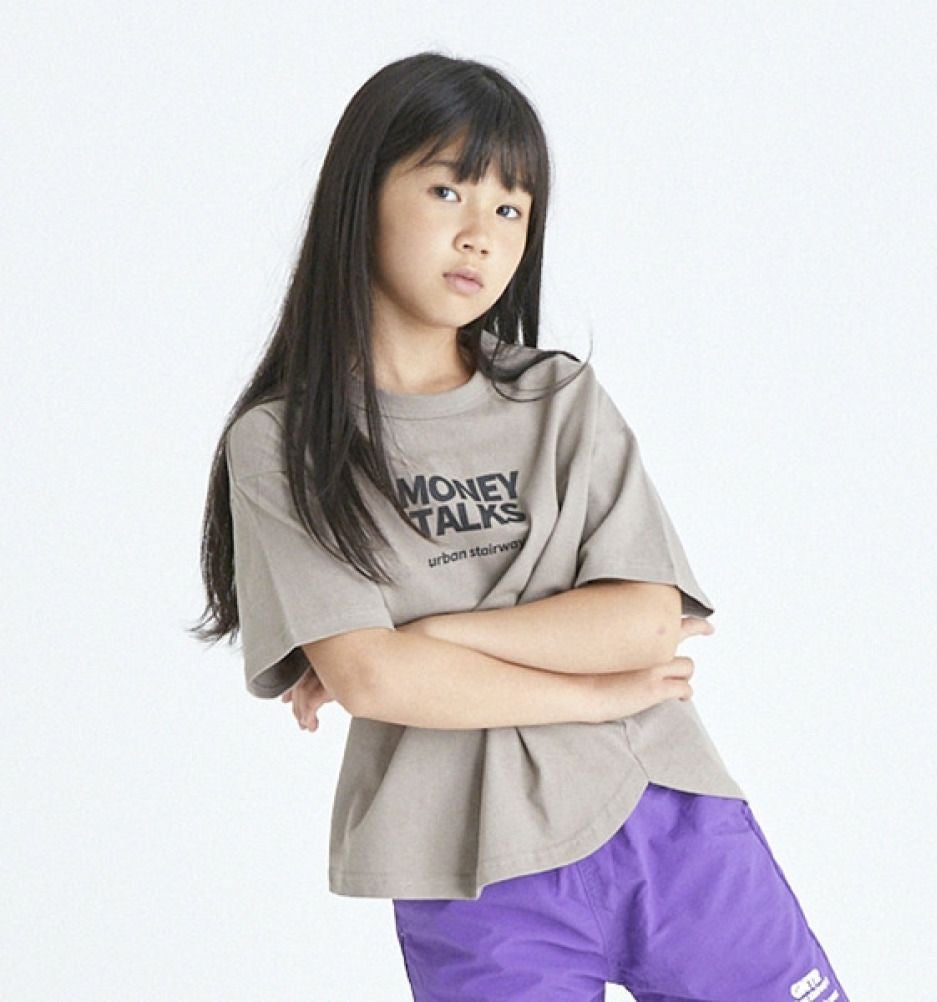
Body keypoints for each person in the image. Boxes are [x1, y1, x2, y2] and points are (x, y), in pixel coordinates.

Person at [191, 51, 849, 1002]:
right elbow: (373, 680)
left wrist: (426, 637)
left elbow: (644, 624)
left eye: (510, 209)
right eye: (447, 190)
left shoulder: (558, 398)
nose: (480, 235)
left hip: (669, 816)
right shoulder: (285, 444)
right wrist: (592, 695)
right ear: (360, 196)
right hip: (467, 869)